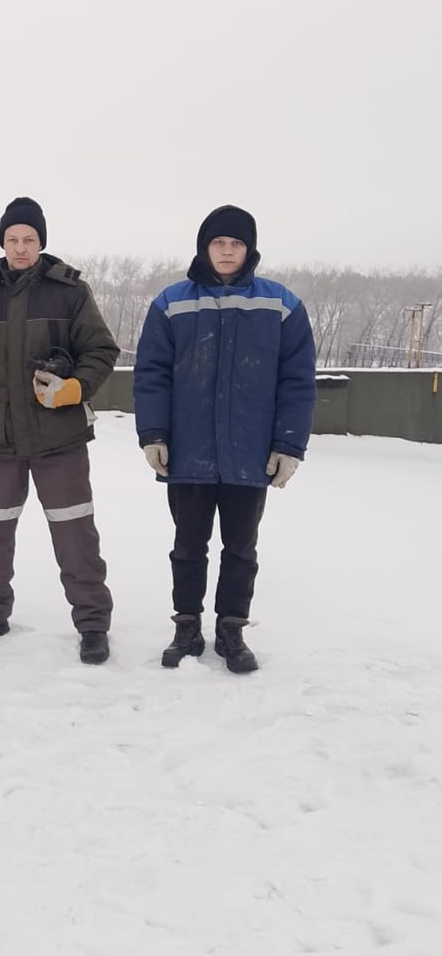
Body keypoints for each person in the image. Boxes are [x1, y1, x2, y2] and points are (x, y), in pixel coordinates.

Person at [133, 205, 316, 673]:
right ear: (204, 247)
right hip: (188, 452)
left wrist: (288, 446)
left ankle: (232, 629)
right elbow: (151, 374)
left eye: (236, 243)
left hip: (250, 454)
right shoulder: (171, 303)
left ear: (249, 249)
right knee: (187, 548)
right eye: (219, 242)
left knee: (240, 549)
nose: (228, 250)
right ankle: (186, 626)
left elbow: (297, 381)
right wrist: (153, 433)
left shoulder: (281, 304)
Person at [0, 197, 119, 664]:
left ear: (42, 242)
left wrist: (74, 389)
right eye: (12, 239)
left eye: (29, 239)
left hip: (59, 439)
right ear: (2, 242)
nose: (20, 248)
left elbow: (101, 350)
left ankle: (93, 624)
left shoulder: (69, 292)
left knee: (75, 534)